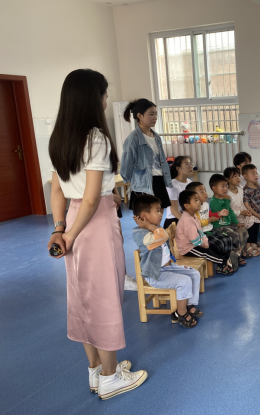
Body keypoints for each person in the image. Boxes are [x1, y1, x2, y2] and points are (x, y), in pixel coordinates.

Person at [47, 69, 147, 401]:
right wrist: (73, 234)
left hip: (72, 219)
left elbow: (58, 190)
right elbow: (91, 199)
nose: (106, 101)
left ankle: (96, 370)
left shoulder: (59, 137)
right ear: (93, 98)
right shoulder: (96, 138)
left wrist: (61, 230)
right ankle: (110, 378)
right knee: (104, 296)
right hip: (94, 223)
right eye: (104, 95)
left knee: (82, 296)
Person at [132, 195, 203, 327]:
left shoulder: (155, 228)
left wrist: (151, 226)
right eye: (157, 211)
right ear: (144, 216)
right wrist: (149, 226)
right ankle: (180, 313)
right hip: (156, 275)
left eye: (161, 210)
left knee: (194, 274)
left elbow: (163, 236)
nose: (161, 213)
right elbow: (163, 236)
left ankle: (188, 305)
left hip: (168, 268)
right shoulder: (141, 234)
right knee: (184, 281)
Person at [120, 99, 173, 211]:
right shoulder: (133, 139)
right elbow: (126, 167)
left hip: (159, 180)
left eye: (156, 114)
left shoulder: (156, 137)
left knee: (159, 215)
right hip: (143, 184)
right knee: (145, 218)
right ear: (140, 116)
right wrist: (134, 182)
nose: (155, 117)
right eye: (151, 114)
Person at [175, 191, 238, 275]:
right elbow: (195, 240)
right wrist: (203, 244)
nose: (199, 202)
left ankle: (228, 255)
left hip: (196, 243)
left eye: (198, 199)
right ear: (187, 206)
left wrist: (205, 242)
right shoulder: (186, 220)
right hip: (188, 248)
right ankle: (224, 262)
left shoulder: (193, 216)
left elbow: (200, 231)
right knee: (206, 253)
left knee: (213, 246)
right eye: (196, 200)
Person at [186, 182, 246, 267]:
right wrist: (209, 220)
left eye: (205, 190)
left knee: (228, 238)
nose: (205, 193)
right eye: (201, 192)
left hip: (210, 229)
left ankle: (231, 258)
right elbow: (197, 223)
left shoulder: (206, 204)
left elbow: (210, 214)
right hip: (202, 233)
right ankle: (222, 264)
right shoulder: (194, 209)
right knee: (219, 243)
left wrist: (218, 214)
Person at [208, 174, 250, 257]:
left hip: (228, 224)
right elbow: (224, 212)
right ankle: (236, 255)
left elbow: (230, 212)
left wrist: (237, 222)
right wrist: (227, 201)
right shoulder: (214, 201)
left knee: (243, 230)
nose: (225, 189)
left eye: (226, 186)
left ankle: (241, 252)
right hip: (219, 226)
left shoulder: (223, 198)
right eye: (222, 186)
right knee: (234, 235)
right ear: (214, 188)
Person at [223, 167, 260, 257]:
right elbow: (228, 211)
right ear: (228, 179)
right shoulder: (226, 193)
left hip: (244, 213)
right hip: (234, 217)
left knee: (256, 218)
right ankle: (247, 247)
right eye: (234, 176)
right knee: (251, 220)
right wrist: (241, 213)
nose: (238, 178)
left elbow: (244, 202)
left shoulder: (241, 189)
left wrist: (248, 211)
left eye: (238, 176)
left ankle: (253, 243)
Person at [163, 155, 195, 229]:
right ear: (178, 168)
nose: (190, 166)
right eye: (187, 164)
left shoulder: (190, 182)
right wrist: (188, 223)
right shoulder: (172, 185)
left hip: (186, 216)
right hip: (175, 220)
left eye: (191, 164)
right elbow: (174, 210)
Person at [242, 164, 260, 254]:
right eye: (253, 173)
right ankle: (248, 246)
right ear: (245, 176)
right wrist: (257, 215)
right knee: (251, 229)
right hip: (251, 215)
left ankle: (253, 243)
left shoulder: (258, 187)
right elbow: (247, 205)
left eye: (256, 173)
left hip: (259, 214)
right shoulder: (245, 190)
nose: (256, 175)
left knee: (257, 228)